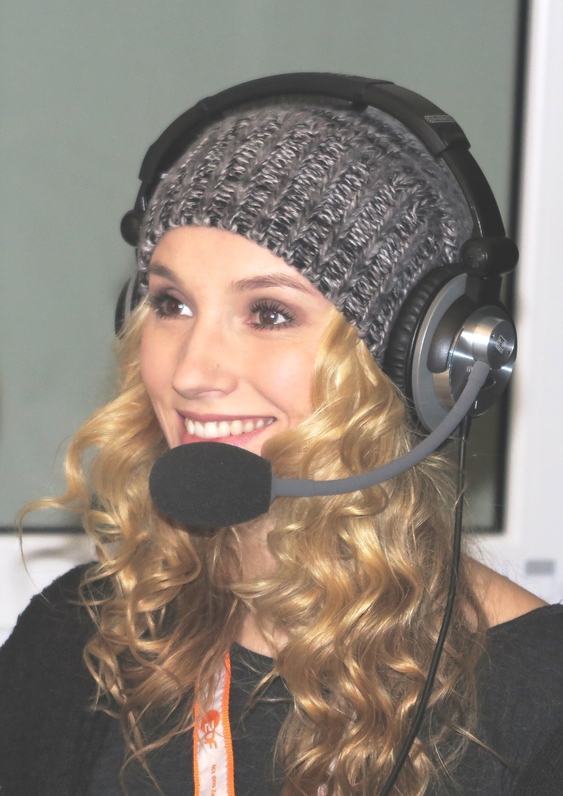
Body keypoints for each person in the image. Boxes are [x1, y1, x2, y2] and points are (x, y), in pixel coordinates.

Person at [1, 76, 562, 796]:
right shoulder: (82, 636)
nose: (191, 372)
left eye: (268, 313)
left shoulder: (540, 699)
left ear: (420, 358)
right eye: (171, 304)